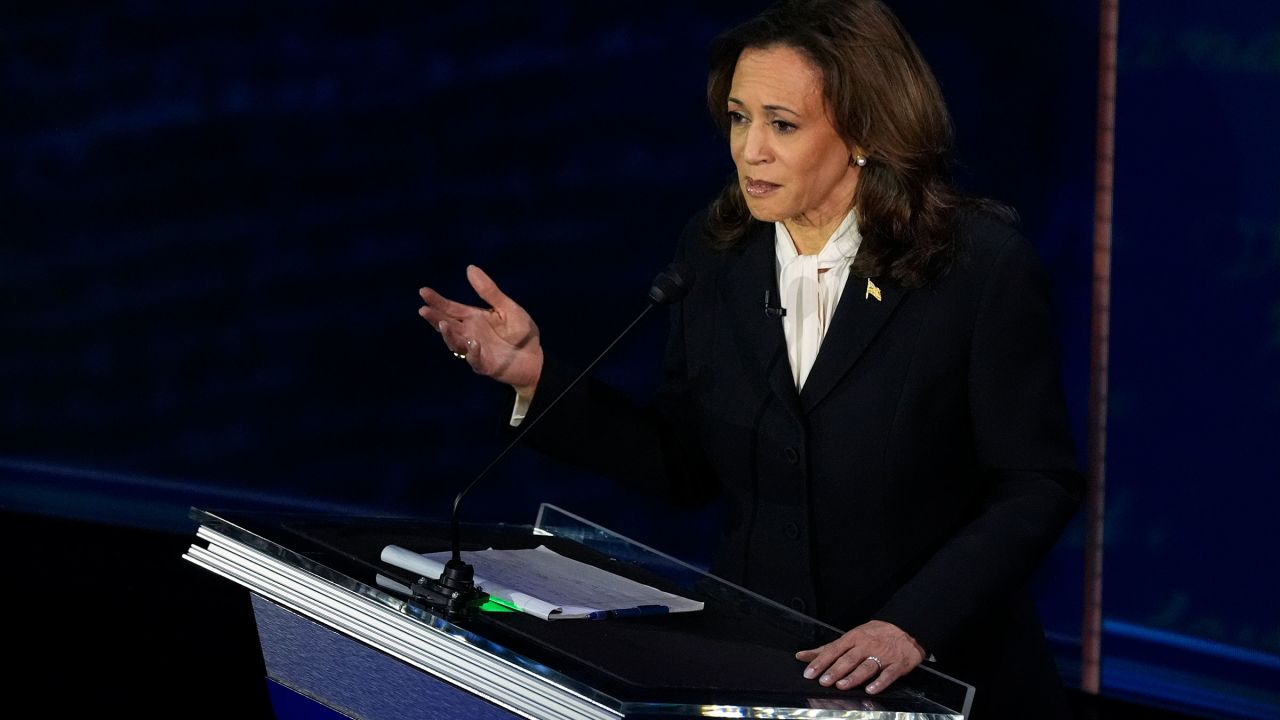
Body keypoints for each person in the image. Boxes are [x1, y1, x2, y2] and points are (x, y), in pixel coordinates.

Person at [418, 1, 1081, 717]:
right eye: (739, 118)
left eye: (782, 124)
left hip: (939, 681)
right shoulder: (718, 252)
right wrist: (535, 380)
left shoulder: (976, 265)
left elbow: (1036, 483)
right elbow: (683, 463)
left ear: (864, 132)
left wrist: (910, 626)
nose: (748, 150)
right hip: (758, 679)